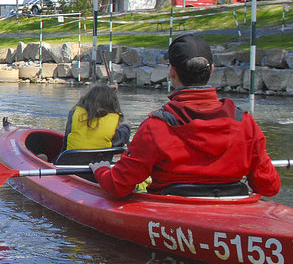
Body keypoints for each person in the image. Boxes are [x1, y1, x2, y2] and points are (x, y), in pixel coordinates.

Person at [88, 34, 281, 199]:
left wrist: (101, 170)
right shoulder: (245, 122)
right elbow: (269, 187)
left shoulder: (156, 126)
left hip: (172, 209)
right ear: (212, 69)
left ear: (172, 72)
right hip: (231, 208)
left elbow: (118, 186)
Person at [64, 83, 130, 151]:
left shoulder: (74, 113)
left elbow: (67, 138)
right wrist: (126, 125)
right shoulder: (114, 123)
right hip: (101, 160)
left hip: (70, 160)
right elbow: (122, 138)